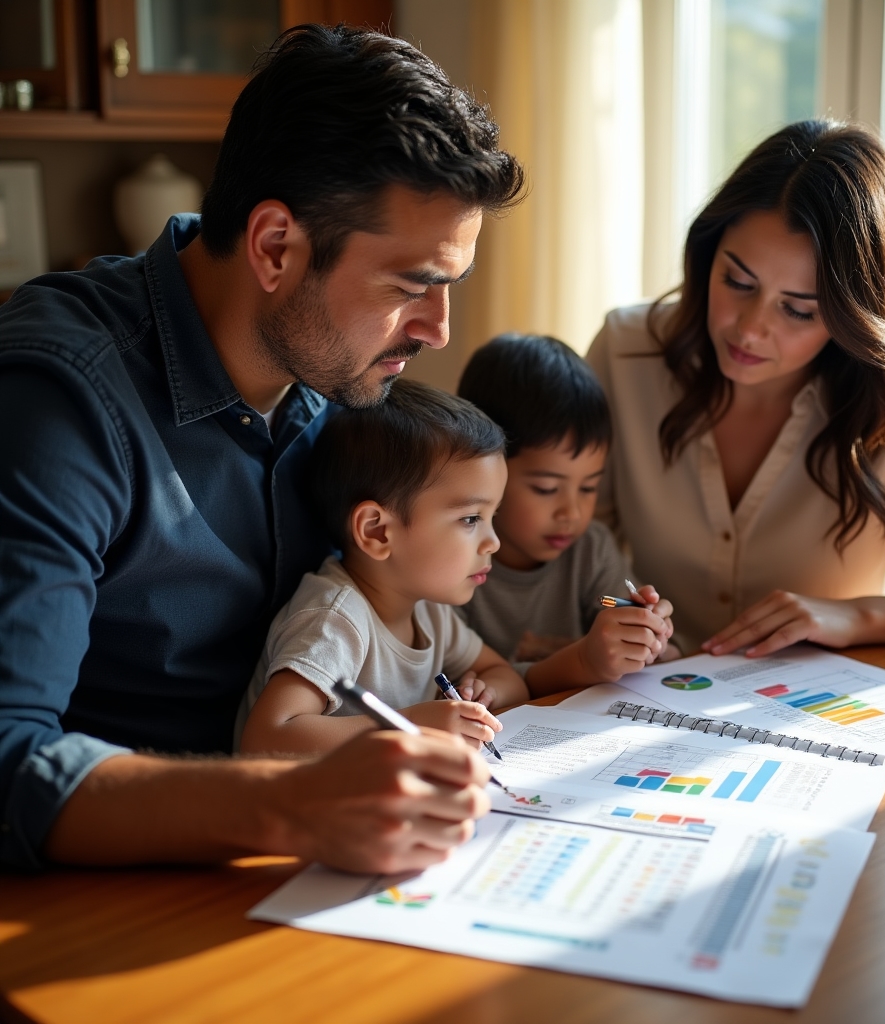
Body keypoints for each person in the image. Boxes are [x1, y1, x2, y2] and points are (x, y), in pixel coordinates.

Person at [0, 24, 524, 871]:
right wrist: (290, 804)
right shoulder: (60, 400)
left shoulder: (334, 370)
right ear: (275, 246)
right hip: (100, 899)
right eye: (409, 287)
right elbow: (9, 765)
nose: (436, 330)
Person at [588, 119, 885, 659]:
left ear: (850, 316)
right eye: (737, 282)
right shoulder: (625, 352)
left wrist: (852, 616)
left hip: (833, 716)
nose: (749, 328)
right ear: (707, 256)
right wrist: (615, 615)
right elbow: (564, 557)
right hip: (649, 702)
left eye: (798, 309)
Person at [237, 379, 528, 756]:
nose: (494, 542)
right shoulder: (335, 618)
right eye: (471, 519)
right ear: (377, 531)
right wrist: (412, 727)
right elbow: (268, 738)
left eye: (493, 515)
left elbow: (506, 677)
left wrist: (483, 695)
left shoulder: (428, 611)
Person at [456, 333, 675, 694]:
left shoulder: (590, 550)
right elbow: (453, 683)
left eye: (589, 488)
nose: (571, 512)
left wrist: (652, 638)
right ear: (484, 469)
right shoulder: (450, 562)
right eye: (546, 488)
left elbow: (646, 645)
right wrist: (579, 660)